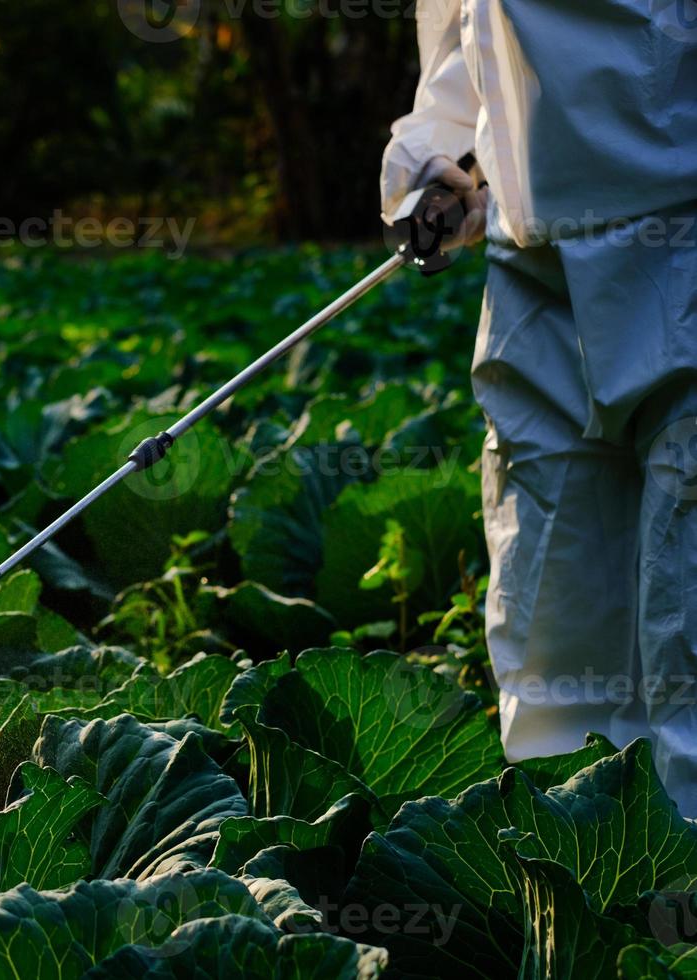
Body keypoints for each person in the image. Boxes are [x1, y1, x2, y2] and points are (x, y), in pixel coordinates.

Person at [380, 0, 697, 811]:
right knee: (552, 631)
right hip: (535, 265)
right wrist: (435, 153)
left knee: (689, 614)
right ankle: (585, 896)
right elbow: (474, 22)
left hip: (680, 238)